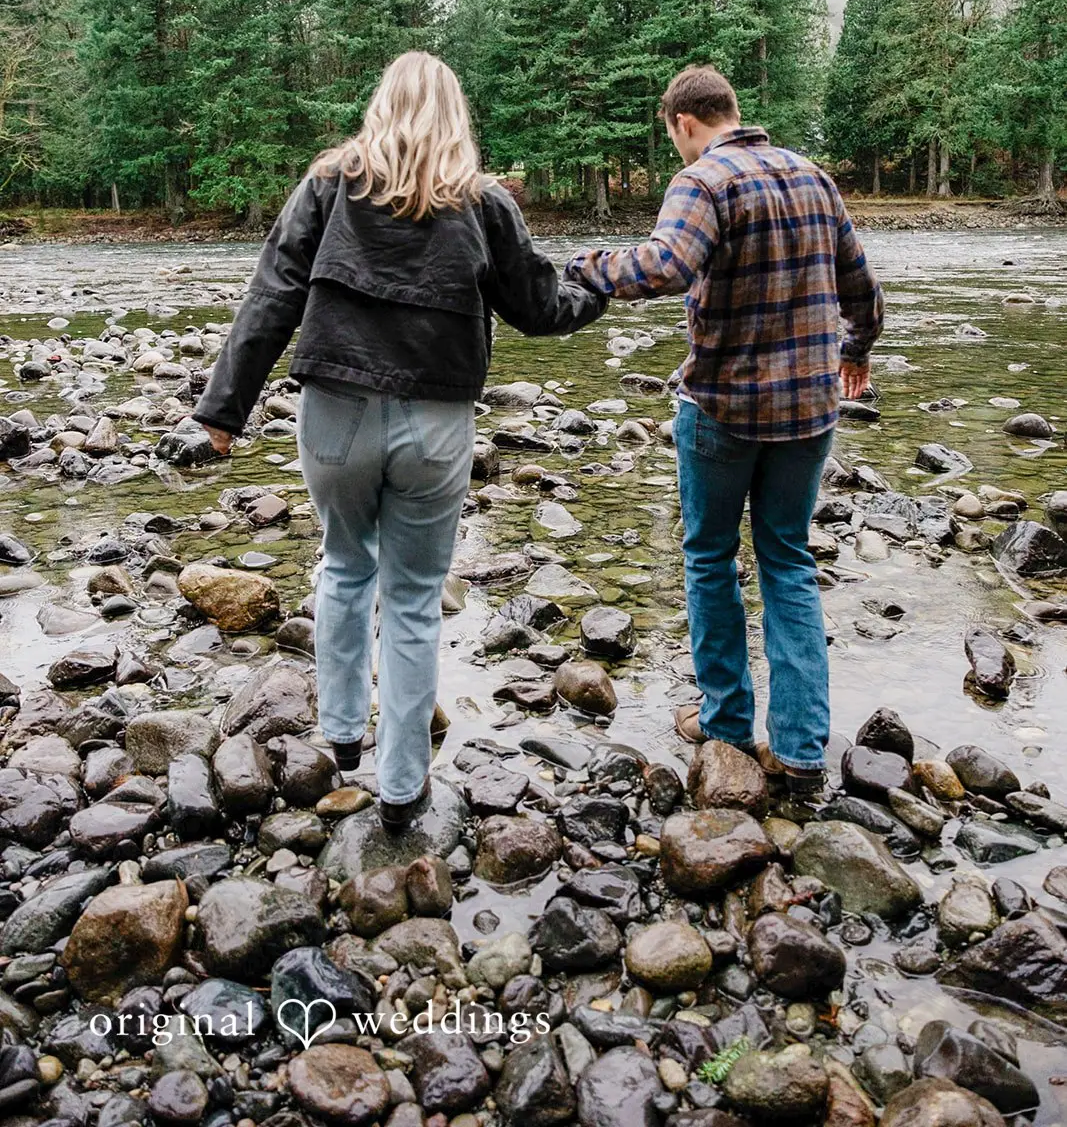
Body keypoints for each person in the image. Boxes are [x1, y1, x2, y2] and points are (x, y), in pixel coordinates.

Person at [194, 51, 605, 830]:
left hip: (336, 412)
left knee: (345, 566)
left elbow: (272, 294)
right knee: (414, 600)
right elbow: (539, 306)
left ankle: (343, 736)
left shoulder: (328, 182)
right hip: (436, 419)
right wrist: (603, 287)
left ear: (380, 105)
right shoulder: (482, 201)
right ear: (456, 114)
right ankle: (401, 781)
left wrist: (223, 410)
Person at [565, 65, 883, 799]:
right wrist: (854, 353)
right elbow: (862, 289)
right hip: (808, 408)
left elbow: (664, 266)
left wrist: (582, 266)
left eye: (670, 135)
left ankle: (728, 725)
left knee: (710, 557)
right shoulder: (812, 176)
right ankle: (802, 750)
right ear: (731, 110)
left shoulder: (703, 180)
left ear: (682, 122)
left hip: (722, 408)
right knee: (788, 560)